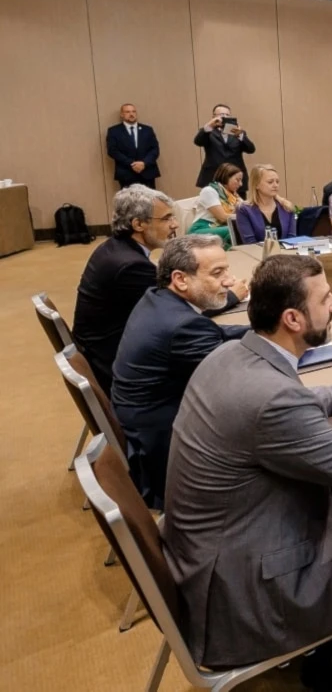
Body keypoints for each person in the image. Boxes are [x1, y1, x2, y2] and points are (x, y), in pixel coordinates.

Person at [162, 254, 332, 690]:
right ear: (292, 318)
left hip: (213, 556)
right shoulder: (271, 400)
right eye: (325, 299)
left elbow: (298, 398)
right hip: (246, 593)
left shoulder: (232, 353)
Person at [111, 236, 250, 508]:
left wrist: (263, 329)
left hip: (145, 423)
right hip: (167, 451)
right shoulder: (182, 326)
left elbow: (217, 335)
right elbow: (238, 380)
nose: (229, 281)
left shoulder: (159, 299)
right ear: (181, 279)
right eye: (217, 273)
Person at [73, 185, 246, 396]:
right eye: (166, 218)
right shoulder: (130, 266)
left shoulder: (115, 248)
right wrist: (232, 296)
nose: (174, 224)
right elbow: (179, 310)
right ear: (138, 224)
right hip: (111, 360)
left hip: (107, 349)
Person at [194, 103, 255, 195]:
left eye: (227, 115)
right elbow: (198, 141)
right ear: (213, 117)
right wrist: (209, 126)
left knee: (239, 207)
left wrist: (241, 135)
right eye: (221, 115)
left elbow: (251, 149)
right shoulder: (208, 132)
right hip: (213, 176)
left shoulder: (238, 133)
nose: (224, 117)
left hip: (236, 177)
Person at [235, 164, 296, 243]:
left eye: (277, 182)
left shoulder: (287, 207)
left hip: (284, 254)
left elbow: (292, 239)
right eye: (270, 182)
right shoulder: (244, 209)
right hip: (257, 254)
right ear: (256, 185)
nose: (275, 185)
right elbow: (250, 243)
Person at [106, 104, 160, 189]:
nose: (131, 114)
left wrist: (144, 163)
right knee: (130, 201)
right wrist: (132, 164)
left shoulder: (147, 130)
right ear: (122, 114)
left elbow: (155, 149)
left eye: (133, 111)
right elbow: (112, 151)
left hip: (147, 172)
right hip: (126, 173)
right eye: (127, 112)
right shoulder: (114, 131)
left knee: (151, 201)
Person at [191, 163, 243, 249]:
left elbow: (247, 209)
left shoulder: (233, 196)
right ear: (226, 178)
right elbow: (222, 217)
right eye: (238, 180)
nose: (241, 184)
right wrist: (244, 217)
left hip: (222, 227)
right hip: (201, 229)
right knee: (234, 230)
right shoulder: (209, 191)